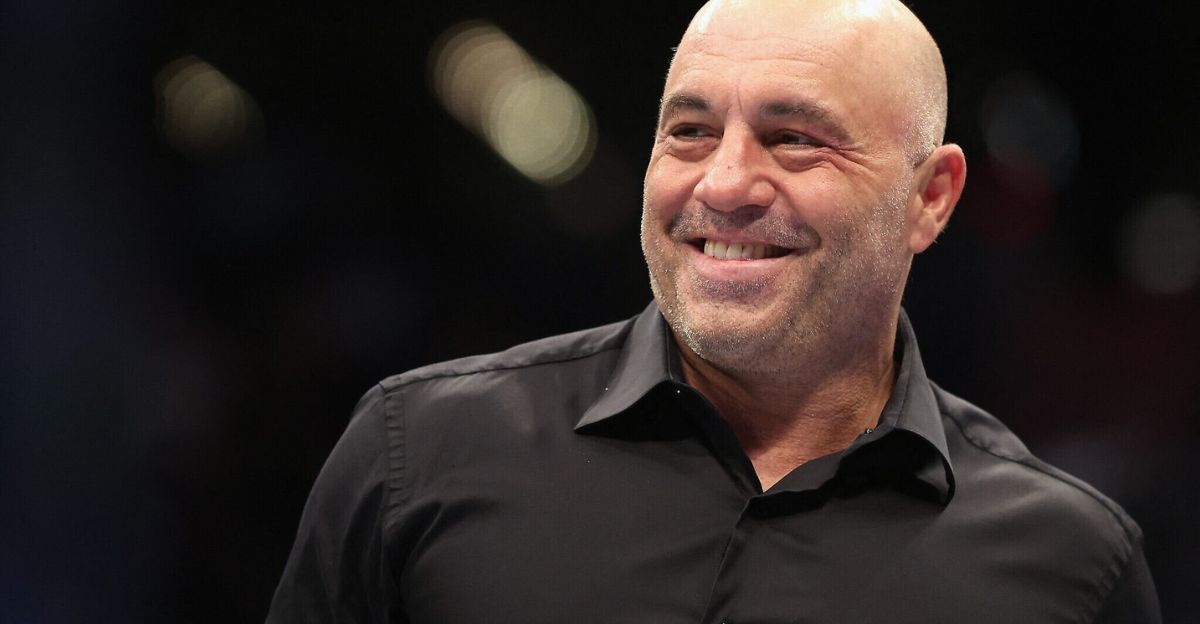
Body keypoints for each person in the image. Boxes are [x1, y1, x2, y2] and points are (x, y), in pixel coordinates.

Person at [267, 0, 1161, 621]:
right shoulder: (419, 452)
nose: (724, 183)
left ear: (930, 198)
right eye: (690, 132)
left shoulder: (1070, 566)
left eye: (794, 139)